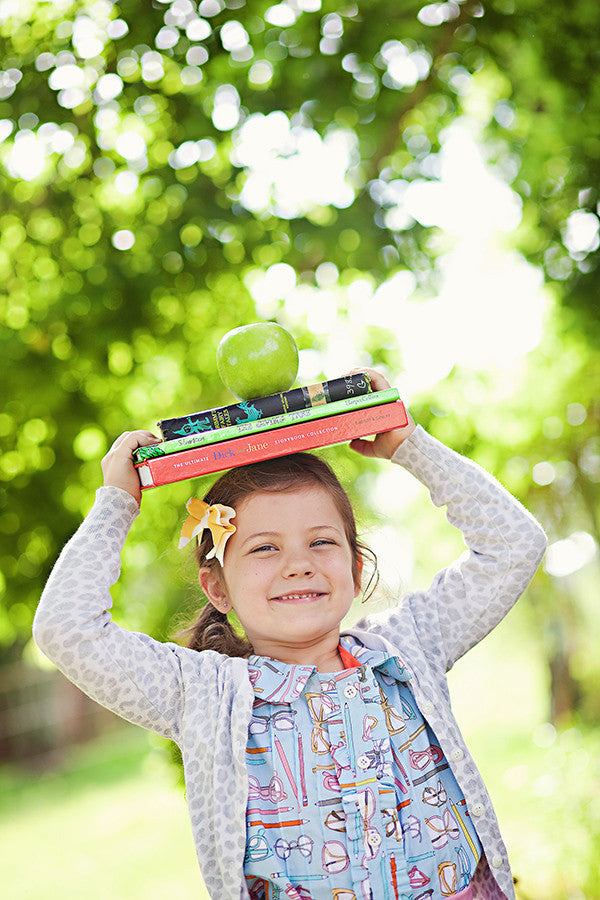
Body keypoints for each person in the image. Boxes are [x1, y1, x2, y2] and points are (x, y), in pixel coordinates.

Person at [33, 369, 546, 900]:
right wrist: (117, 503)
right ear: (218, 588)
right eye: (264, 548)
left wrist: (410, 445)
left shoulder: (408, 648)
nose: (298, 564)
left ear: (355, 568)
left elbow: (514, 545)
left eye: (321, 542)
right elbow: (64, 629)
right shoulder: (201, 693)